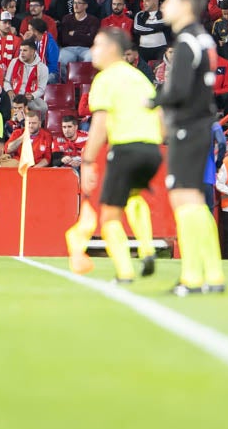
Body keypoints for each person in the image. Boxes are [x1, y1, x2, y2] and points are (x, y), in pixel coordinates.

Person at [64, 28, 161, 282]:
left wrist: (87, 160)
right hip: (152, 149)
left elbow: (100, 123)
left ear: (111, 49)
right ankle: (148, 247)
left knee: (109, 216)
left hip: (125, 147)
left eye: (97, 45)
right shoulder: (140, 78)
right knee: (135, 196)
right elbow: (159, 114)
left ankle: (125, 272)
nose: (92, 51)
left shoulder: (106, 79)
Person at [151, 0, 225, 295]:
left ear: (184, 5)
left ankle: (193, 277)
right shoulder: (204, 38)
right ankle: (214, 274)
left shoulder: (185, 42)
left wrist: (151, 102)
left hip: (187, 126)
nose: (163, 5)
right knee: (194, 199)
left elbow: (177, 90)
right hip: (201, 124)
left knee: (185, 199)